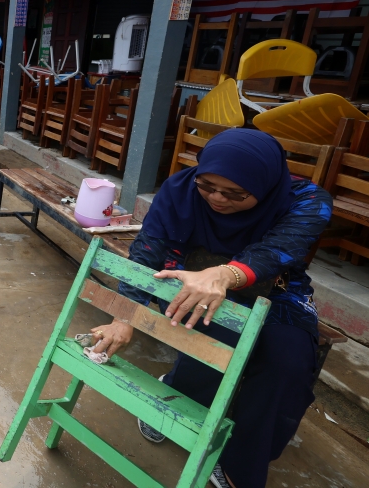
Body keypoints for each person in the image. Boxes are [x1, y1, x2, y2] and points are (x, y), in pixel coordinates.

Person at [87, 130, 333, 488]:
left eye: (235, 193)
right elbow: (148, 251)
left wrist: (225, 274)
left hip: (276, 289)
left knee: (289, 365)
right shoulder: (180, 188)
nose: (217, 198)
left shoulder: (308, 200)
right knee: (212, 339)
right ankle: (177, 395)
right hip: (193, 279)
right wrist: (125, 315)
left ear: (264, 185)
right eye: (207, 186)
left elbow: (281, 249)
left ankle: (241, 465)